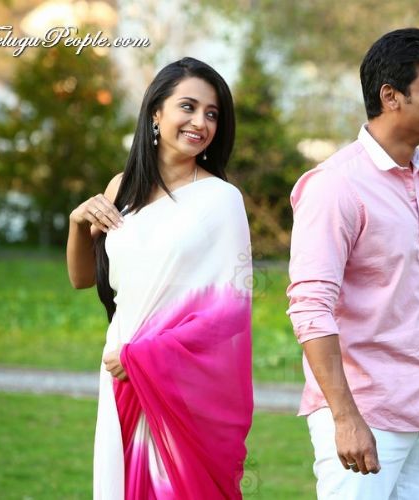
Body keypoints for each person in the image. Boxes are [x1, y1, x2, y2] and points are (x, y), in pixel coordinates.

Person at [287, 28, 419, 499]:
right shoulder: (334, 186)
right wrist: (345, 418)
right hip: (364, 416)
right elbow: (310, 307)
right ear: (391, 96)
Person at [66, 57, 253, 499]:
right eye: (188, 107)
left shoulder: (221, 200)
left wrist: (143, 356)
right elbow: (81, 278)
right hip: (120, 370)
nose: (200, 122)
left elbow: (231, 312)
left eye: (212, 113)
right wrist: (77, 223)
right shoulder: (121, 188)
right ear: (156, 112)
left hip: (176, 378)